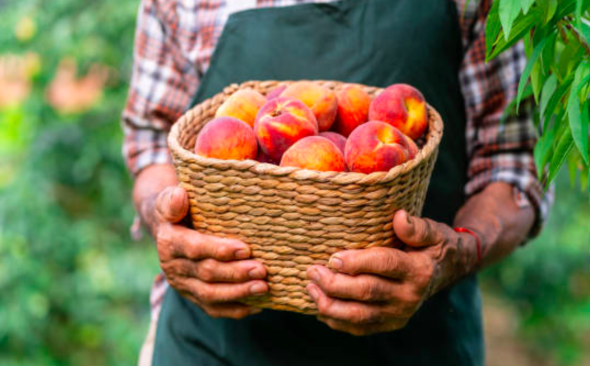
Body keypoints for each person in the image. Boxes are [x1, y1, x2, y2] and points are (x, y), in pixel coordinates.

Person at [122, 0, 552, 365]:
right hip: (211, 345)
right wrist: (167, 223)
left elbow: (513, 161)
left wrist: (457, 251)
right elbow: (151, 144)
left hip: (417, 343)